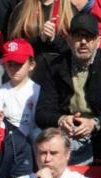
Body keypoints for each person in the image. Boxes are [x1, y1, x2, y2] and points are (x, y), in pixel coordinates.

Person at [34, 12, 101, 166]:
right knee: (36, 136)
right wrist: (61, 120)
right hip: (66, 132)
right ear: (69, 40)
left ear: (98, 41)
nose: (83, 42)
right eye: (78, 36)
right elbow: (42, 112)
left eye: (89, 37)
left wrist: (94, 124)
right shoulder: (55, 66)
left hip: (97, 131)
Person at [0, 39, 42, 139]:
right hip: (7, 142)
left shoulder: (37, 91)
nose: (13, 68)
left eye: (19, 64)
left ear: (31, 65)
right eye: (10, 64)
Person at [8, 0, 77, 57]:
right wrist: (40, 39)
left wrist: (54, 39)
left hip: (61, 69)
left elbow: (76, 49)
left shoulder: (70, 10)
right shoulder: (22, 9)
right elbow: (13, 46)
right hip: (31, 69)